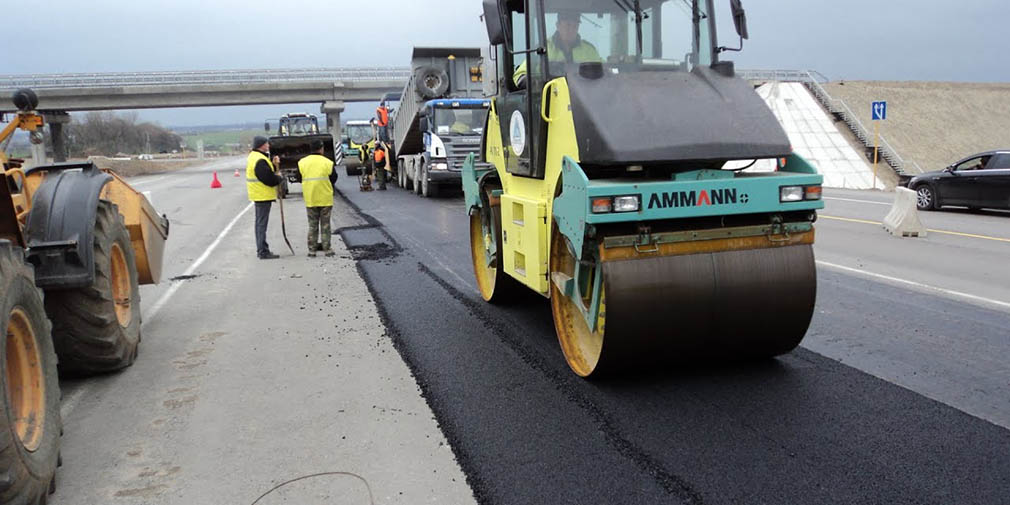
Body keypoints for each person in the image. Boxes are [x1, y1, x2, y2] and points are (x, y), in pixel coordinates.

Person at [513, 10, 602, 87]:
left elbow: (606, 72)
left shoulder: (589, 51)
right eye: (568, 25)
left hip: (585, 100)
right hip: (550, 101)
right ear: (558, 25)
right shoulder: (542, 49)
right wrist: (536, 83)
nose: (571, 29)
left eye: (575, 26)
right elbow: (519, 76)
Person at [297, 140, 338, 257]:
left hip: (310, 198)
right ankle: (327, 249)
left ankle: (312, 250)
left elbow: (299, 178)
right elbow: (334, 178)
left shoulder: (302, 162)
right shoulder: (328, 162)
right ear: (321, 149)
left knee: (312, 225)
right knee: (325, 225)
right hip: (325, 198)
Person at [246, 136, 284, 259]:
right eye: (266, 144)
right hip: (262, 195)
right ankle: (262, 251)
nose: (268, 145)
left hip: (259, 194)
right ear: (261, 145)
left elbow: (266, 172)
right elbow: (268, 178)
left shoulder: (255, 157)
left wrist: (273, 165)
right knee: (261, 224)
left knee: (260, 224)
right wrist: (279, 178)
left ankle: (262, 249)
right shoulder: (259, 160)